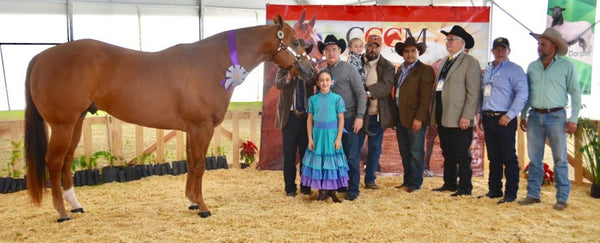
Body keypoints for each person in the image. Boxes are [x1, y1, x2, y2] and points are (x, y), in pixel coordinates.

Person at [518, 28, 581, 210]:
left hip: (557, 115)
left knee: (560, 158)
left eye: (543, 44)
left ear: (554, 46)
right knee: (534, 157)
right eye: (538, 43)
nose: (539, 47)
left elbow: (575, 93)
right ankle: (533, 194)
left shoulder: (566, 66)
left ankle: (562, 198)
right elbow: (528, 94)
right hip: (535, 116)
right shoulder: (532, 66)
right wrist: (523, 114)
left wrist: (573, 119)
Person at [431, 25, 482, 196]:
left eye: (451, 40)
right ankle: (450, 183)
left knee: (462, 153)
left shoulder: (470, 62)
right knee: (448, 151)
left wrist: (467, 115)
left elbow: (473, 92)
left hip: (460, 116)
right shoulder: (445, 61)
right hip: (443, 114)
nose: (448, 43)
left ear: (462, 43)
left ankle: (465, 187)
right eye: (447, 39)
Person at [315, 34, 366, 201]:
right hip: (329, 123)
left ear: (340, 51)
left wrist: (359, 117)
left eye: (334, 49)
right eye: (327, 50)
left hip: (350, 118)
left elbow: (360, 93)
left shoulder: (349, 69)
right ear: (324, 52)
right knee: (334, 155)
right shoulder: (322, 72)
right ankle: (338, 186)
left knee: (351, 155)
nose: (331, 52)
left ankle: (353, 189)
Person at [478, 37, 528, 204]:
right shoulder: (488, 69)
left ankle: (511, 193)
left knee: (508, 157)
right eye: (497, 48)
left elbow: (522, 94)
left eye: (503, 48)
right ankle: (494, 189)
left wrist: (510, 115)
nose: (499, 51)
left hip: (505, 117)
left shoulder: (515, 70)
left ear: (508, 51)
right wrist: (481, 113)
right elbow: (483, 93)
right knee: (493, 156)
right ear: (492, 51)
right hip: (489, 117)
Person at [393, 37, 435, 192]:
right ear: (402, 53)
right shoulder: (400, 69)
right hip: (401, 117)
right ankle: (407, 180)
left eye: (413, 51)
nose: (409, 54)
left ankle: (415, 183)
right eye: (406, 51)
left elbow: (426, 98)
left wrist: (419, 118)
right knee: (405, 152)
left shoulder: (425, 70)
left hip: (415, 118)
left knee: (416, 152)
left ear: (418, 52)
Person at [301, 70, 349, 203]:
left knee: (331, 163)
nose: (324, 83)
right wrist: (310, 138)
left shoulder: (337, 99)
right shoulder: (313, 100)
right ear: (317, 83)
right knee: (320, 162)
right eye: (321, 80)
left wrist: (338, 138)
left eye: (327, 80)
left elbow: (341, 120)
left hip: (332, 135)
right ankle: (322, 192)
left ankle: (332, 192)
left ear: (332, 82)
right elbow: (310, 120)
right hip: (318, 135)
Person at [358, 34, 396, 189]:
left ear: (380, 48)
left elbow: (386, 86)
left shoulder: (387, 66)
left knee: (375, 148)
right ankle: (350, 178)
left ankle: (370, 179)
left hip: (377, 114)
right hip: (359, 115)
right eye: (370, 46)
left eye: (376, 46)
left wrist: (366, 93)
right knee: (354, 146)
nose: (372, 49)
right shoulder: (356, 62)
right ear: (366, 46)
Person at [274, 67, 314, 197]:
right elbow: (278, 84)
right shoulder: (283, 68)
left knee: (306, 155)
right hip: (289, 117)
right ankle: (290, 188)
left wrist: (304, 74)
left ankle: (305, 187)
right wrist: (289, 76)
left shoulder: (309, 67)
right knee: (289, 155)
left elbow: (315, 80)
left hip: (307, 118)